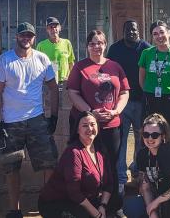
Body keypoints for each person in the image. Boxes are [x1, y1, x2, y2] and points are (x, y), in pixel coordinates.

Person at [0, 22, 60, 218]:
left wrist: (53, 116)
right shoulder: (5, 61)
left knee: (49, 164)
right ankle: (15, 210)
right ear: (17, 37)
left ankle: (47, 204)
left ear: (34, 38)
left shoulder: (42, 59)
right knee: (12, 168)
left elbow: (53, 88)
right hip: (11, 123)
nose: (26, 39)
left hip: (37, 120)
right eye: (23, 35)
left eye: (29, 36)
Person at [67, 30, 130, 216]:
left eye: (100, 43)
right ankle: (89, 203)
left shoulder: (115, 66)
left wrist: (116, 110)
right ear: (87, 46)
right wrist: (90, 113)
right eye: (93, 43)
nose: (97, 47)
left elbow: (125, 91)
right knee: (87, 165)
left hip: (112, 125)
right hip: (88, 127)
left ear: (105, 45)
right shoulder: (80, 67)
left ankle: (112, 205)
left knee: (111, 164)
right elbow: (73, 92)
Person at [38, 112, 113, 218]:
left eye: (93, 124)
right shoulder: (73, 152)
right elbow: (74, 192)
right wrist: (97, 215)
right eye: (85, 125)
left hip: (84, 201)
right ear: (77, 130)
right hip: (58, 202)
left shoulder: (101, 150)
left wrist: (102, 206)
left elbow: (109, 183)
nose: (90, 128)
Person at [107, 20, 151, 194]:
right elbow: (108, 72)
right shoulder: (115, 49)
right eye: (128, 29)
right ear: (122, 31)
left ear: (138, 30)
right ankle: (121, 178)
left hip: (142, 102)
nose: (131, 32)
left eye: (134, 29)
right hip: (121, 103)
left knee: (141, 139)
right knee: (121, 140)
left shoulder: (146, 48)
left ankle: (137, 173)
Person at [138, 20, 170, 151]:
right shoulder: (147, 53)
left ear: (168, 33)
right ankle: (150, 167)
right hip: (150, 98)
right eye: (155, 34)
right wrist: (148, 91)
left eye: (162, 32)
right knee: (149, 134)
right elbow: (142, 78)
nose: (159, 36)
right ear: (152, 37)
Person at [36, 16, 75, 85]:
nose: (54, 29)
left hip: (65, 82)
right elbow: (37, 66)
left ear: (60, 28)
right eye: (51, 27)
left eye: (55, 26)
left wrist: (71, 78)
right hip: (48, 83)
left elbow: (71, 63)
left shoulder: (67, 43)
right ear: (47, 30)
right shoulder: (41, 45)